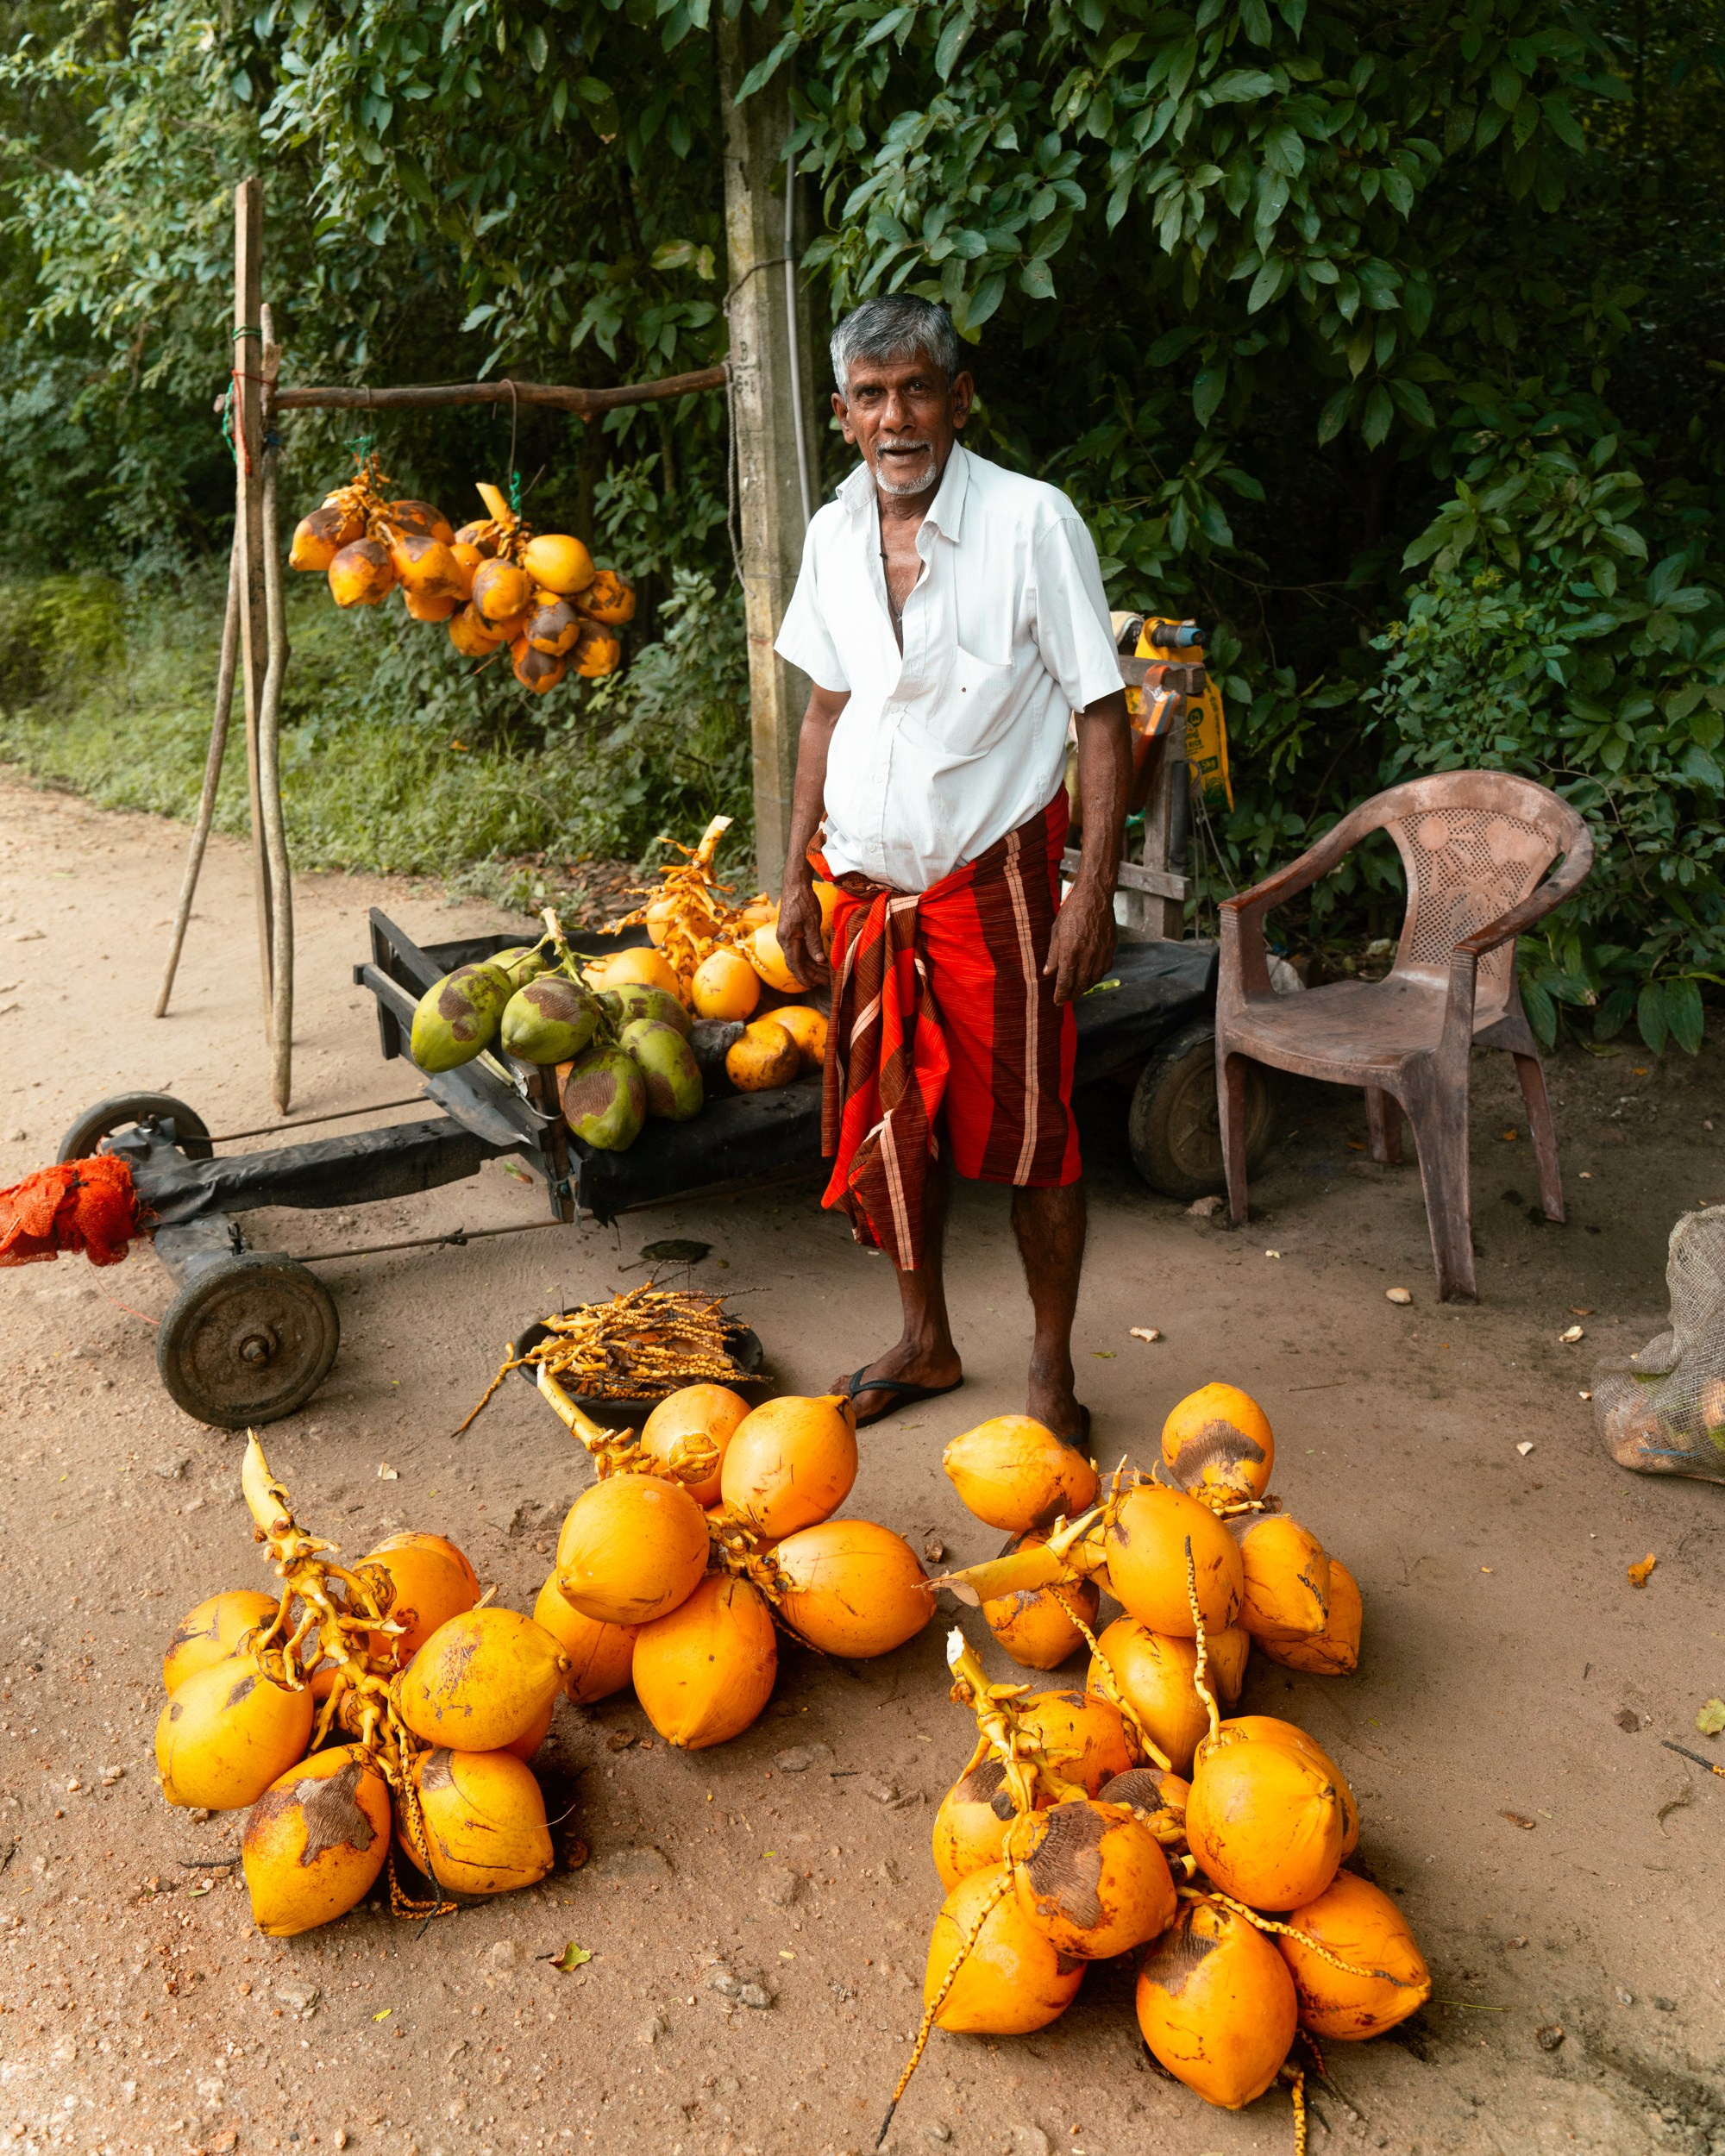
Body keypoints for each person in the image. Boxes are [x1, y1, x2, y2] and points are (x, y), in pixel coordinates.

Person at [773, 293, 1132, 1444]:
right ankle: (926, 1341)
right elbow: (824, 712)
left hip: (1001, 890)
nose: (897, 417)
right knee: (895, 1118)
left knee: (1038, 1139)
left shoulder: (1033, 524)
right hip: (868, 896)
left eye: (918, 389)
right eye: (871, 396)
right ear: (841, 415)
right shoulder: (832, 537)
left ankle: (1049, 1372)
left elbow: (1103, 716)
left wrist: (1090, 890)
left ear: (960, 399)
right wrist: (794, 877)